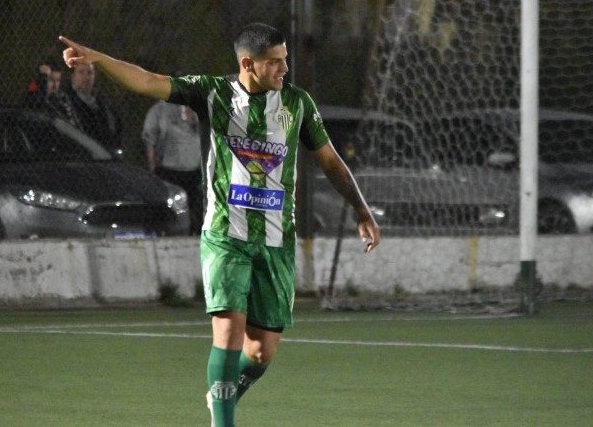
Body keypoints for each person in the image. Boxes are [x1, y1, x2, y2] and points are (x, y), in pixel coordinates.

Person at [59, 22, 380, 427]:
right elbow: (147, 82)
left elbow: (331, 160)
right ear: (248, 63)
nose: (285, 69)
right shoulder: (212, 92)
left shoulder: (298, 104)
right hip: (226, 235)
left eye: (286, 60)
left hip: (276, 241)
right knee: (228, 333)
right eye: (275, 62)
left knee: (262, 353)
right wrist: (99, 59)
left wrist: (361, 209)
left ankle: (220, 395)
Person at [142, 78, 203, 234]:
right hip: (169, 168)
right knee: (171, 206)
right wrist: (153, 167)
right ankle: (168, 231)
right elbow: (149, 138)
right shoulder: (159, 109)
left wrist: (195, 120)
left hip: (193, 169)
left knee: (195, 206)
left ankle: (195, 232)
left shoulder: (195, 107)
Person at [61, 63, 124, 153]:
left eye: (90, 73)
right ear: (73, 76)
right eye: (81, 72)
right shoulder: (66, 100)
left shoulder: (102, 102)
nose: (86, 77)